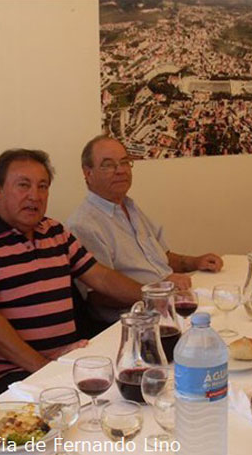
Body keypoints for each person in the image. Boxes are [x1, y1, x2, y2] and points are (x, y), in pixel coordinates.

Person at [0, 148, 143, 403]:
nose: (34, 196)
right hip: (6, 376)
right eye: (23, 185)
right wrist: (46, 369)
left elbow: (101, 278)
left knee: (136, 383)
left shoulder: (54, 231)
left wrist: (153, 297)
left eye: (42, 186)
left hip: (64, 361)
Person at [67, 135, 223, 323]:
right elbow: (98, 295)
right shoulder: (84, 224)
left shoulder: (129, 207)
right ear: (88, 173)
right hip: (137, 321)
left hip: (168, 303)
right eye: (108, 165)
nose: (120, 170)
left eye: (124, 162)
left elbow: (160, 257)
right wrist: (158, 291)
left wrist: (195, 262)